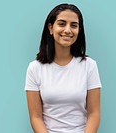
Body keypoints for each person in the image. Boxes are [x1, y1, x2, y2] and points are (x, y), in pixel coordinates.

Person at [25, 3, 102, 133]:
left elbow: (94, 113)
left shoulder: (89, 65)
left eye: (74, 25)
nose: (67, 30)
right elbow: (36, 117)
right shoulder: (34, 68)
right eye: (62, 24)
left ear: (79, 30)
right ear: (50, 28)